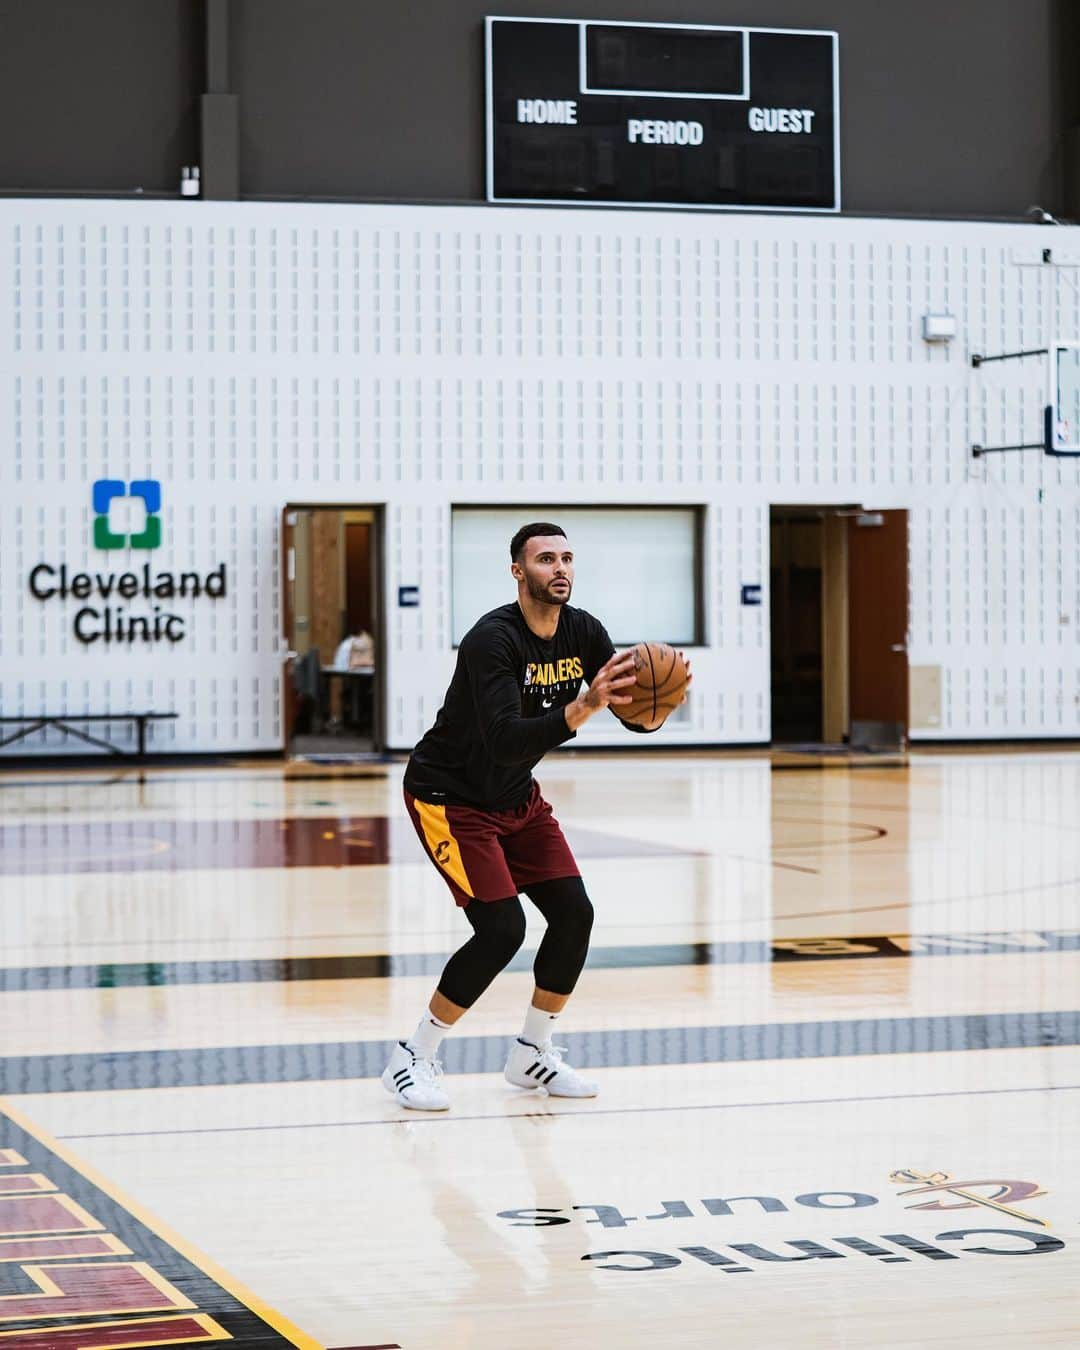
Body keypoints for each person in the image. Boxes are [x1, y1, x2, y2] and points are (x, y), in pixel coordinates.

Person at [382, 521, 691, 1110]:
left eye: (568, 558)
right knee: (501, 929)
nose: (561, 569)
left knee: (574, 914)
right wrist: (584, 706)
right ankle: (413, 1056)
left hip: (514, 796)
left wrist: (659, 704)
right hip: (450, 795)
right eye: (546, 559)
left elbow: (629, 713)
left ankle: (531, 1053)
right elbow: (503, 739)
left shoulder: (584, 630)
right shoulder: (491, 640)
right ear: (519, 571)